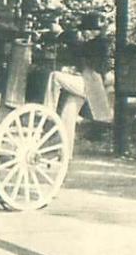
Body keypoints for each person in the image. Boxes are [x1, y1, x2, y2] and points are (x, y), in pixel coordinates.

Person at [43, 12, 113, 156]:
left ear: (93, 31)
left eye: (85, 30)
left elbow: (78, 48)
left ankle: (48, 112)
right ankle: (65, 153)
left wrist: (61, 33)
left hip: (90, 85)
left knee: (55, 76)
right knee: (68, 116)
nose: (83, 33)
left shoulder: (98, 44)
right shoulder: (97, 43)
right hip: (90, 85)